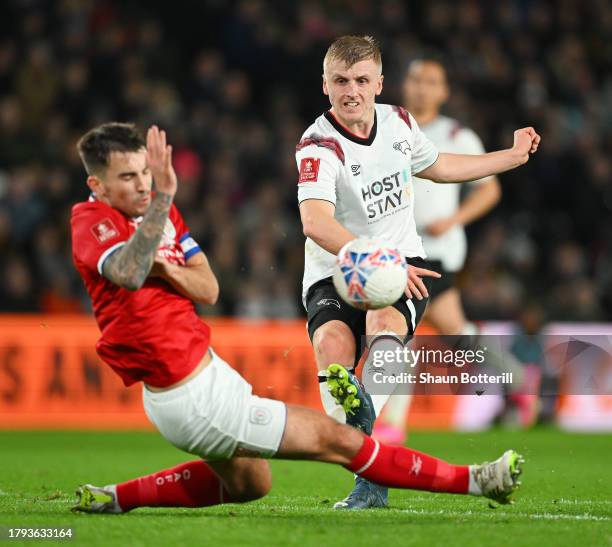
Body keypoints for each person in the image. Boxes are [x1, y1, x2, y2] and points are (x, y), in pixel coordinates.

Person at [71, 122, 523, 514]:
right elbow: (128, 272)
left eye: (146, 173)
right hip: (190, 397)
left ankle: (113, 497)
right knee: (341, 441)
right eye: (127, 177)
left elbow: (208, 287)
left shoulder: (161, 216)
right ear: (98, 186)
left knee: (252, 484)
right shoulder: (93, 221)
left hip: (209, 375)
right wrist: (163, 213)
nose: (144, 185)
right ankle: (478, 479)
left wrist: (165, 262)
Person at [296, 36, 540, 509]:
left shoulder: (399, 123)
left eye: (362, 81)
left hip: (403, 266)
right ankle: (369, 457)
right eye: (341, 81)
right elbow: (314, 222)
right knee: (332, 351)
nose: (352, 91)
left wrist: (509, 158)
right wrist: (371, 256)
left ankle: (367, 468)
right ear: (324, 85)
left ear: (379, 84)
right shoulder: (317, 145)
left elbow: (441, 166)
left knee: (384, 330)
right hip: (335, 270)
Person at [373, 58, 541, 445]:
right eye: (415, 79)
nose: (421, 88)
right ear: (404, 84)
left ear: (444, 91)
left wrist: (453, 219)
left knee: (405, 327)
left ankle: (393, 422)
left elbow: (490, 189)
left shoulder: (457, 135)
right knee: (440, 330)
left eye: (431, 81)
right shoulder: (387, 127)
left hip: (436, 250)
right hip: (394, 247)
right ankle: (517, 378)